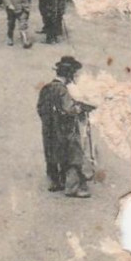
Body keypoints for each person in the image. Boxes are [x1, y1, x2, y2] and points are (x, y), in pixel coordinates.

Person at [37, 55, 94, 197]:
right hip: (64, 128)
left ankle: (55, 182)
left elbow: (40, 108)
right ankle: (72, 187)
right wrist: (81, 108)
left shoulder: (46, 88)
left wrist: (48, 121)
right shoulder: (62, 90)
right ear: (68, 75)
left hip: (49, 128)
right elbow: (69, 109)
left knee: (52, 153)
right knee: (72, 154)